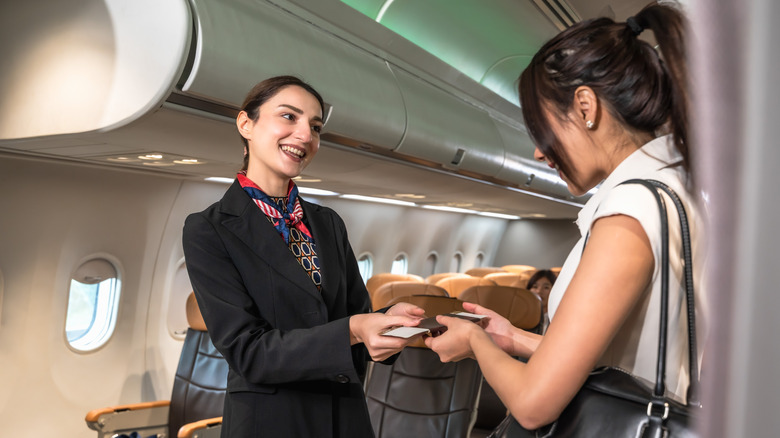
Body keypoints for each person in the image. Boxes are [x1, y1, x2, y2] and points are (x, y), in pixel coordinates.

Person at [424, 2, 707, 430]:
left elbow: (533, 405)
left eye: (542, 128)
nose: (539, 151)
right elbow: (622, 369)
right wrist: (512, 338)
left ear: (585, 106)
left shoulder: (630, 212)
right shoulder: (680, 188)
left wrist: (477, 342)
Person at [182, 76, 424, 437]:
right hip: (271, 424)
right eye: (289, 117)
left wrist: (388, 323)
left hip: (345, 418)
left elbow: (356, 321)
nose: (305, 135)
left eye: (315, 127)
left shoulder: (327, 223)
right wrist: (354, 330)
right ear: (246, 124)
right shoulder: (209, 229)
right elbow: (248, 352)